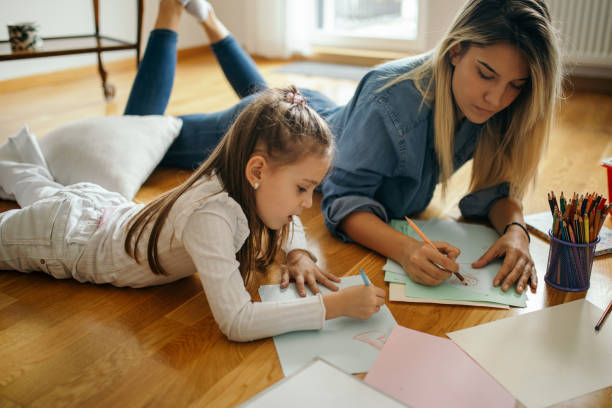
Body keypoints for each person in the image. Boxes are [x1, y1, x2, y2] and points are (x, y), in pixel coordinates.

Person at [0, 2, 386, 343]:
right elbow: (237, 320)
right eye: (303, 189)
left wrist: (298, 251)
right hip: (67, 241)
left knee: (39, 187)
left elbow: (286, 214)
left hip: (99, 208)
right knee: (32, 209)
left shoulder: (242, 181)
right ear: (257, 169)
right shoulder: (212, 216)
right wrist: (333, 306)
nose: (305, 205)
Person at [151, 0, 561, 295]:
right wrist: (406, 249)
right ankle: (170, 10)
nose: (495, 99)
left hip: (320, 114)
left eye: (515, 86)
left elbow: (496, 192)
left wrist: (516, 232)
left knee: (264, 93)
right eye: (486, 74)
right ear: (455, 50)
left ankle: (207, 18)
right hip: (286, 136)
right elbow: (345, 200)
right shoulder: (390, 97)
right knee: (146, 134)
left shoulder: (505, 104)